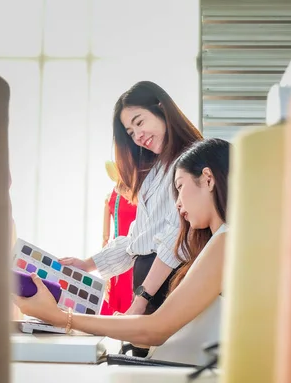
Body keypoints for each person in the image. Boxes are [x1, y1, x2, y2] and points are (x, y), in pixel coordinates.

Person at [15, 139, 231, 365]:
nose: (177, 203)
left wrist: (61, 318)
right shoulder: (220, 242)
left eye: (179, 186)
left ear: (207, 179)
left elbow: (157, 329)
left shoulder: (226, 241)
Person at [60, 81, 203, 316]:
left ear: (161, 109)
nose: (138, 136)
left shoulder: (188, 163)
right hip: (151, 289)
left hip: (169, 286)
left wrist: (141, 299)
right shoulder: (155, 171)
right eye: (131, 132)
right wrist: (87, 264)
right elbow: (135, 241)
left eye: (139, 122)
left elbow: (177, 237)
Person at [101, 161, 137, 316]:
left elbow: (105, 238)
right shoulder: (136, 195)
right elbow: (105, 238)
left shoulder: (113, 197)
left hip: (121, 253)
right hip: (133, 252)